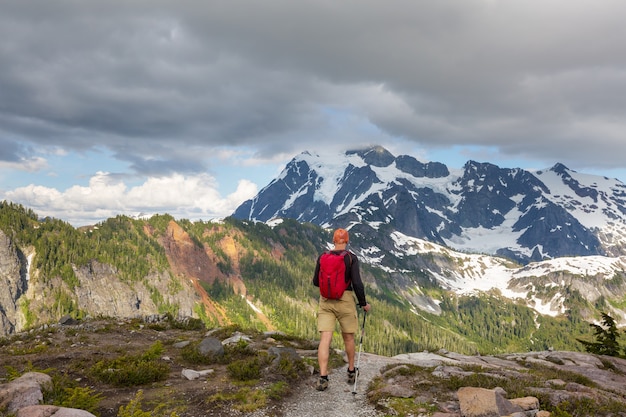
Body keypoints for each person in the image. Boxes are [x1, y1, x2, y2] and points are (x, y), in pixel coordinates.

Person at [312, 227, 371, 391]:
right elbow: (357, 283)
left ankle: (323, 378)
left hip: (326, 301)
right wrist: (363, 303)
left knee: (325, 339)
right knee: (349, 338)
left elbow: (316, 281)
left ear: (333, 240)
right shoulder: (351, 258)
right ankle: (351, 372)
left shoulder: (323, 257)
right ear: (347, 241)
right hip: (345, 300)